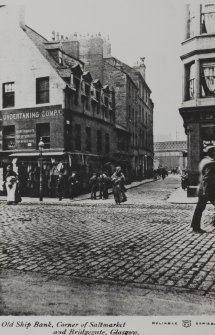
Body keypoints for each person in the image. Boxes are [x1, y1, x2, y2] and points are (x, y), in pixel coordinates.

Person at [191, 145, 215, 233]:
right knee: (200, 208)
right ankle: (196, 226)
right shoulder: (211, 163)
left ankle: (195, 225)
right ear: (213, 152)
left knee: (199, 208)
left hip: (203, 188)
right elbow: (207, 178)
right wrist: (206, 191)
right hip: (209, 189)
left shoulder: (204, 161)